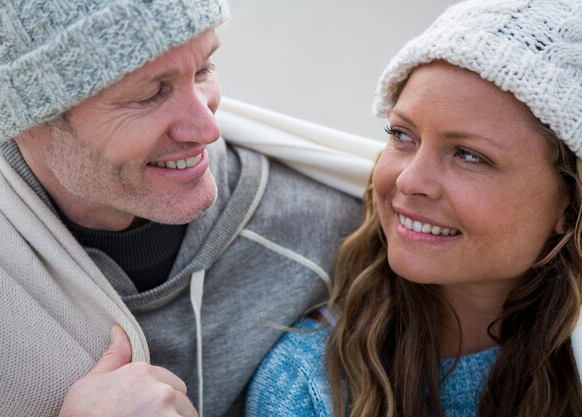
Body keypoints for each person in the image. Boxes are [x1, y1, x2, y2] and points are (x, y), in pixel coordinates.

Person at [0, 1, 364, 416]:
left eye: (204, 69)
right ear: (26, 116)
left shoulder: (335, 235)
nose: (208, 128)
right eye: (150, 95)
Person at [245, 0, 582, 416]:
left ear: (570, 204)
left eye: (469, 155)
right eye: (402, 135)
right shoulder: (311, 383)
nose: (409, 181)